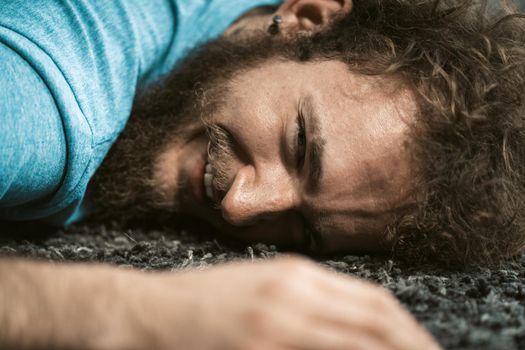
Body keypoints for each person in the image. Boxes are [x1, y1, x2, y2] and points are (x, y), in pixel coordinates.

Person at [0, 0, 524, 348]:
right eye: (300, 147)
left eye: (304, 230)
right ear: (307, 18)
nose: (241, 206)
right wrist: (126, 312)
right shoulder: (48, 103)